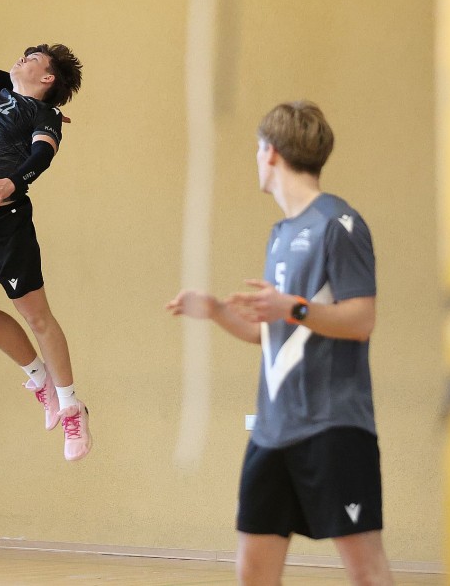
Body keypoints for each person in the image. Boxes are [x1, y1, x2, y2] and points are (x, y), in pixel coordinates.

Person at [166, 101, 393, 585]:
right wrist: (218, 310)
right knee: (253, 570)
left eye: (257, 149)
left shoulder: (340, 224)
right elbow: (272, 337)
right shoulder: (280, 234)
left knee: (366, 572)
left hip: (333, 428)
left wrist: (293, 308)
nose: (256, 158)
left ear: (270, 152)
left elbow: (361, 319)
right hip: (271, 433)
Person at [0, 44, 91, 461]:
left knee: (36, 315)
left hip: (4, 221)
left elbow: (42, 154)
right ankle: (42, 382)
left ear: (48, 78)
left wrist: (13, 181)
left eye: (33, 59)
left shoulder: (44, 115)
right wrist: (15, 80)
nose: (22, 59)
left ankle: (72, 408)